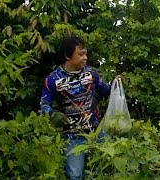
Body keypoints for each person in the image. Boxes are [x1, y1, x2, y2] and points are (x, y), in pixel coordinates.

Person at [40, 36, 119, 179]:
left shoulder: (91, 73)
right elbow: (44, 104)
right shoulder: (53, 79)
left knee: (100, 171)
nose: (85, 58)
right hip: (72, 135)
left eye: (86, 54)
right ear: (67, 56)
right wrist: (52, 114)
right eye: (81, 54)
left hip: (97, 131)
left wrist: (115, 84)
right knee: (75, 175)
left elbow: (105, 90)